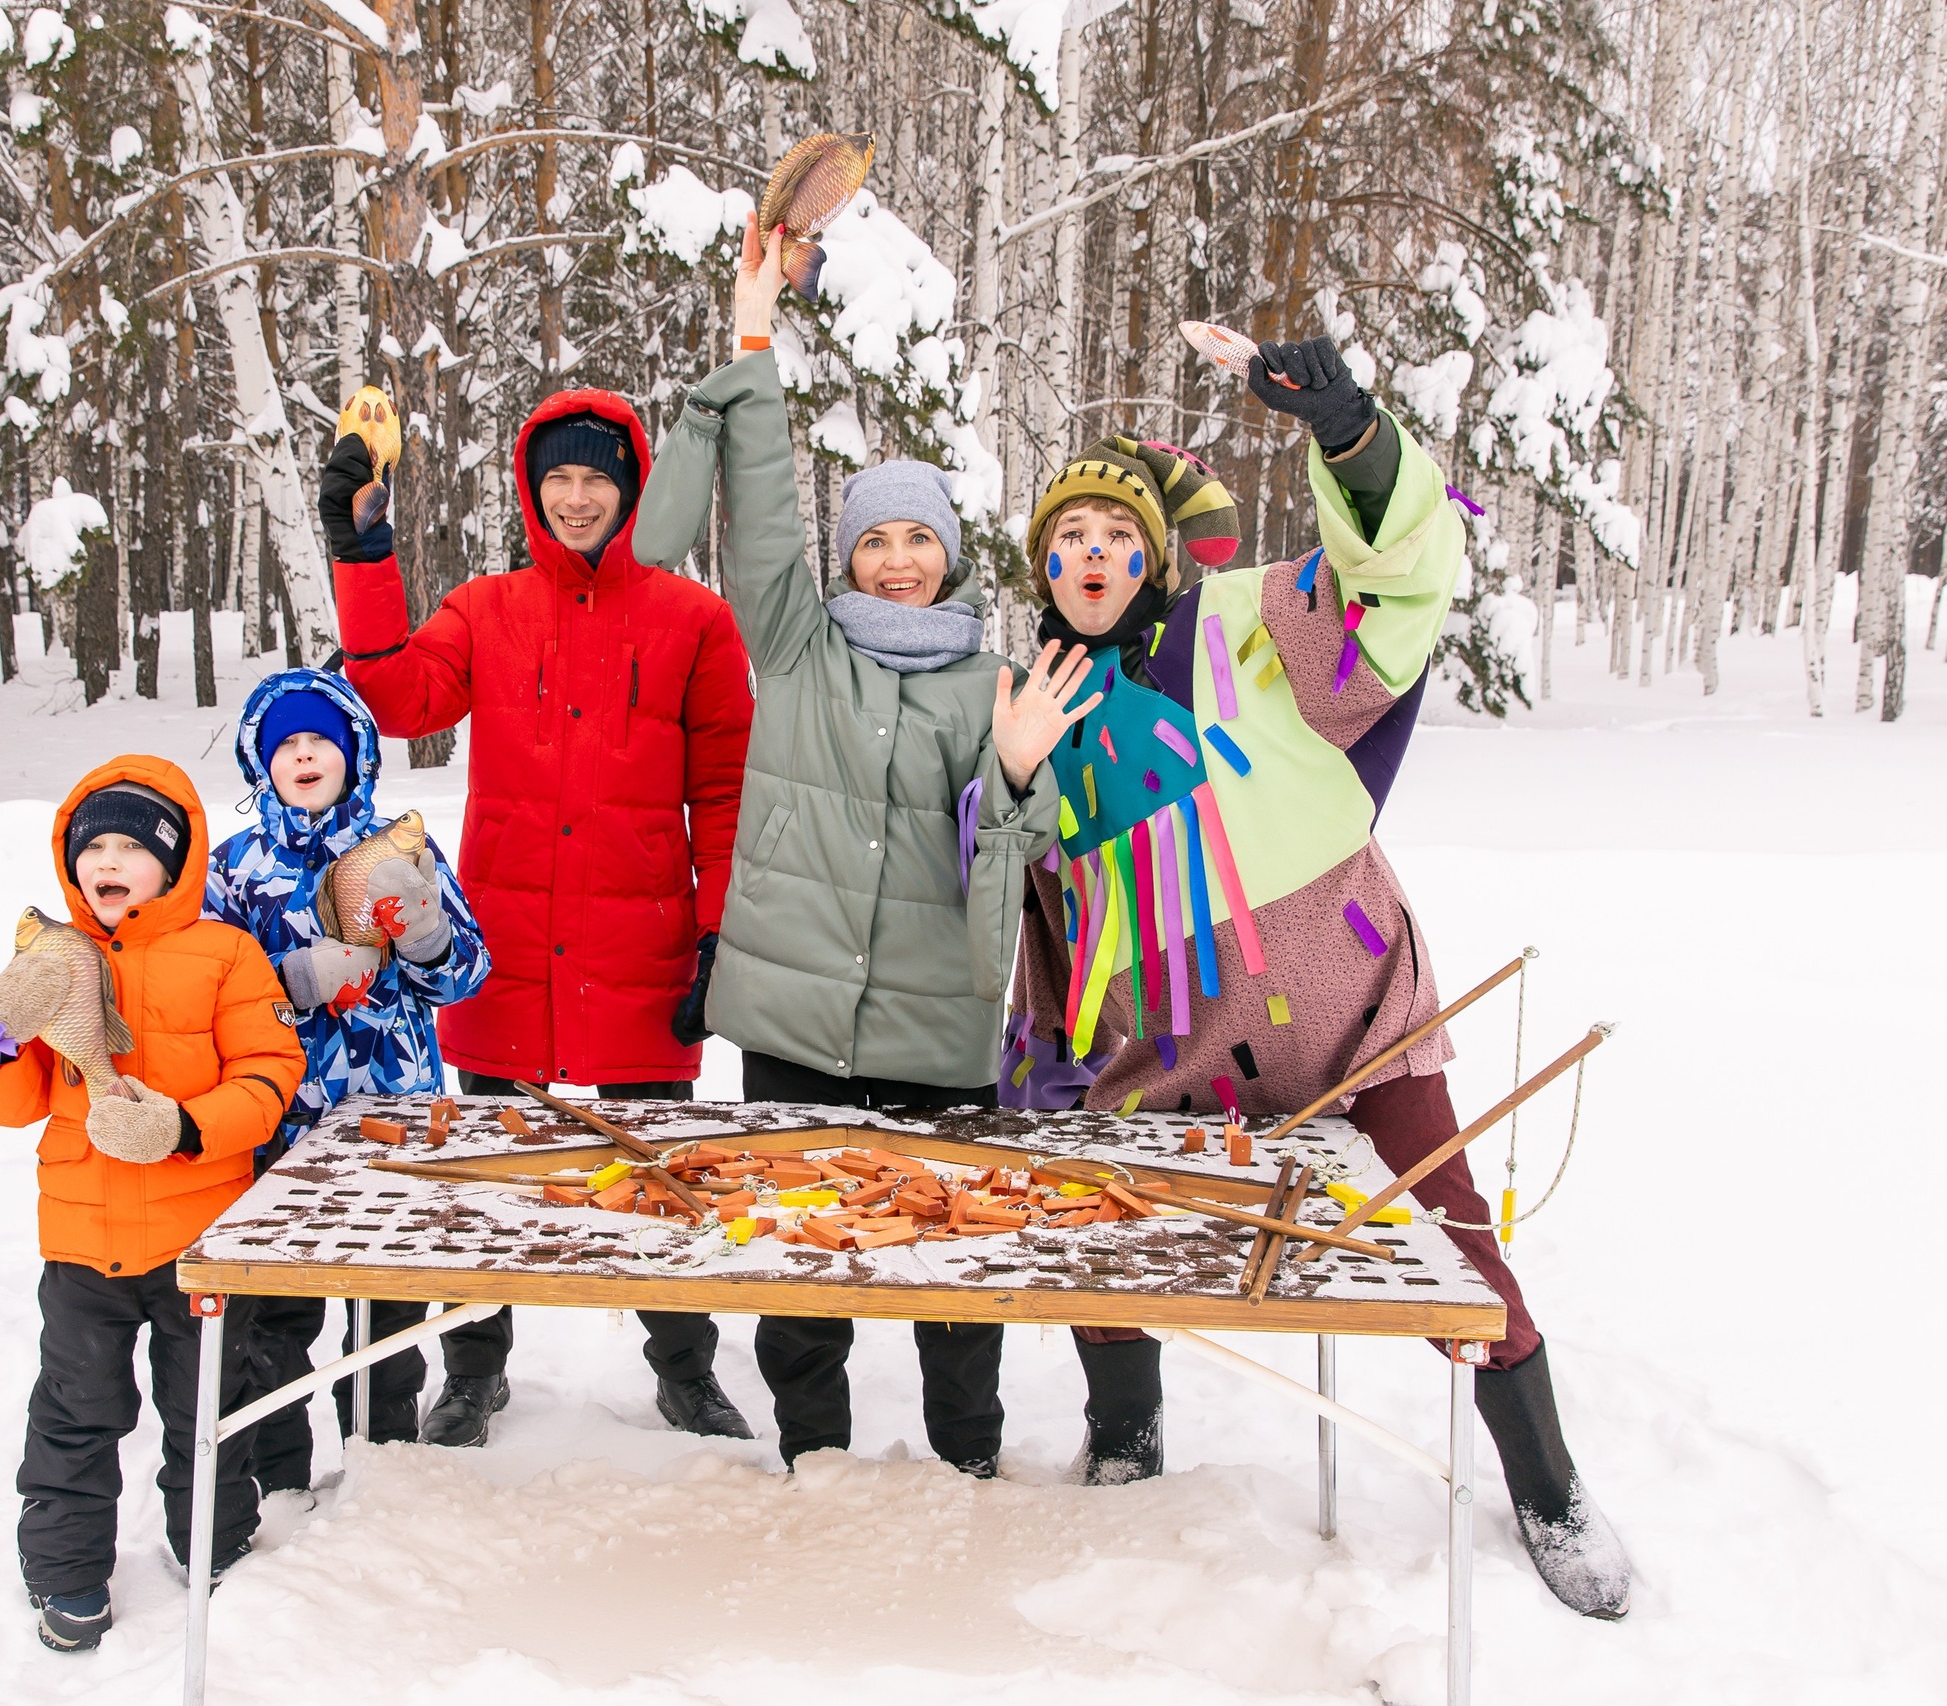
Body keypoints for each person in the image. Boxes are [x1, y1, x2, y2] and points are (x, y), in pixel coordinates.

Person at [999, 336, 1630, 1618]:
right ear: (1043, 568)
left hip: (1354, 1012)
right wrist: (1015, 782)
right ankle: (1127, 1433)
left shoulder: (1251, 621)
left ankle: (1549, 1478)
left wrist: (1349, 435)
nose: (1092, 558)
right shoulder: (1035, 701)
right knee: (1099, 1241)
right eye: (1066, 541)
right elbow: (1025, 898)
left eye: (1115, 534)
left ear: (1154, 554)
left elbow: (1396, 591)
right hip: (1168, 1055)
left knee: (1457, 1246)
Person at [630, 213, 1084, 1475]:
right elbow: (762, 501)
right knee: (796, 1252)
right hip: (795, 1018)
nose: (893, 560)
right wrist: (754, 325)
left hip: (935, 1027)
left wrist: (1015, 771)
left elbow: (1008, 871)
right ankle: (813, 1454)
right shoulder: (797, 641)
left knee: (953, 1262)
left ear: (947, 557)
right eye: (874, 538)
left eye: (916, 538)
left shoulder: (995, 678)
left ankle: (969, 1458)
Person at [326, 388, 757, 1447]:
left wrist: (716, 934)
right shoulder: (486, 609)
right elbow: (396, 699)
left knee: (657, 1168)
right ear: (531, 488)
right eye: (556, 477)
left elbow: (728, 790)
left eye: (595, 477)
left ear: (630, 486)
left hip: (642, 942)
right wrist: (363, 553)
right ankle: (473, 1370)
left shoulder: (693, 619)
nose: (575, 497)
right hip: (505, 944)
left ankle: (684, 1364)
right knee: (494, 1168)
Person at [0, 757, 307, 1653]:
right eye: (92, 846)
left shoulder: (227, 954)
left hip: (201, 1238)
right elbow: (11, 1103)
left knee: (206, 1405)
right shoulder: (53, 960)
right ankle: (68, 1574)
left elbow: (269, 1078)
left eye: (130, 846)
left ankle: (215, 1540)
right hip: (82, 1239)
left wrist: (186, 1128)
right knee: (76, 1411)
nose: (107, 861)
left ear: (176, 860)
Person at [201, 667, 490, 1489]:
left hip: (390, 1110)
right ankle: (284, 1475)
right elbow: (206, 991)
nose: (303, 754)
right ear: (262, 762)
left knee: (384, 1304)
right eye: (285, 743)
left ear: (355, 753)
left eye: (320, 740)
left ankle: (381, 1461)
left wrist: (431, 937)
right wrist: (286, 981)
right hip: (280, 1120)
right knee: (279, 1316)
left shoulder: (399, 849)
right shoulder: (234, 867)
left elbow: (465, 978)